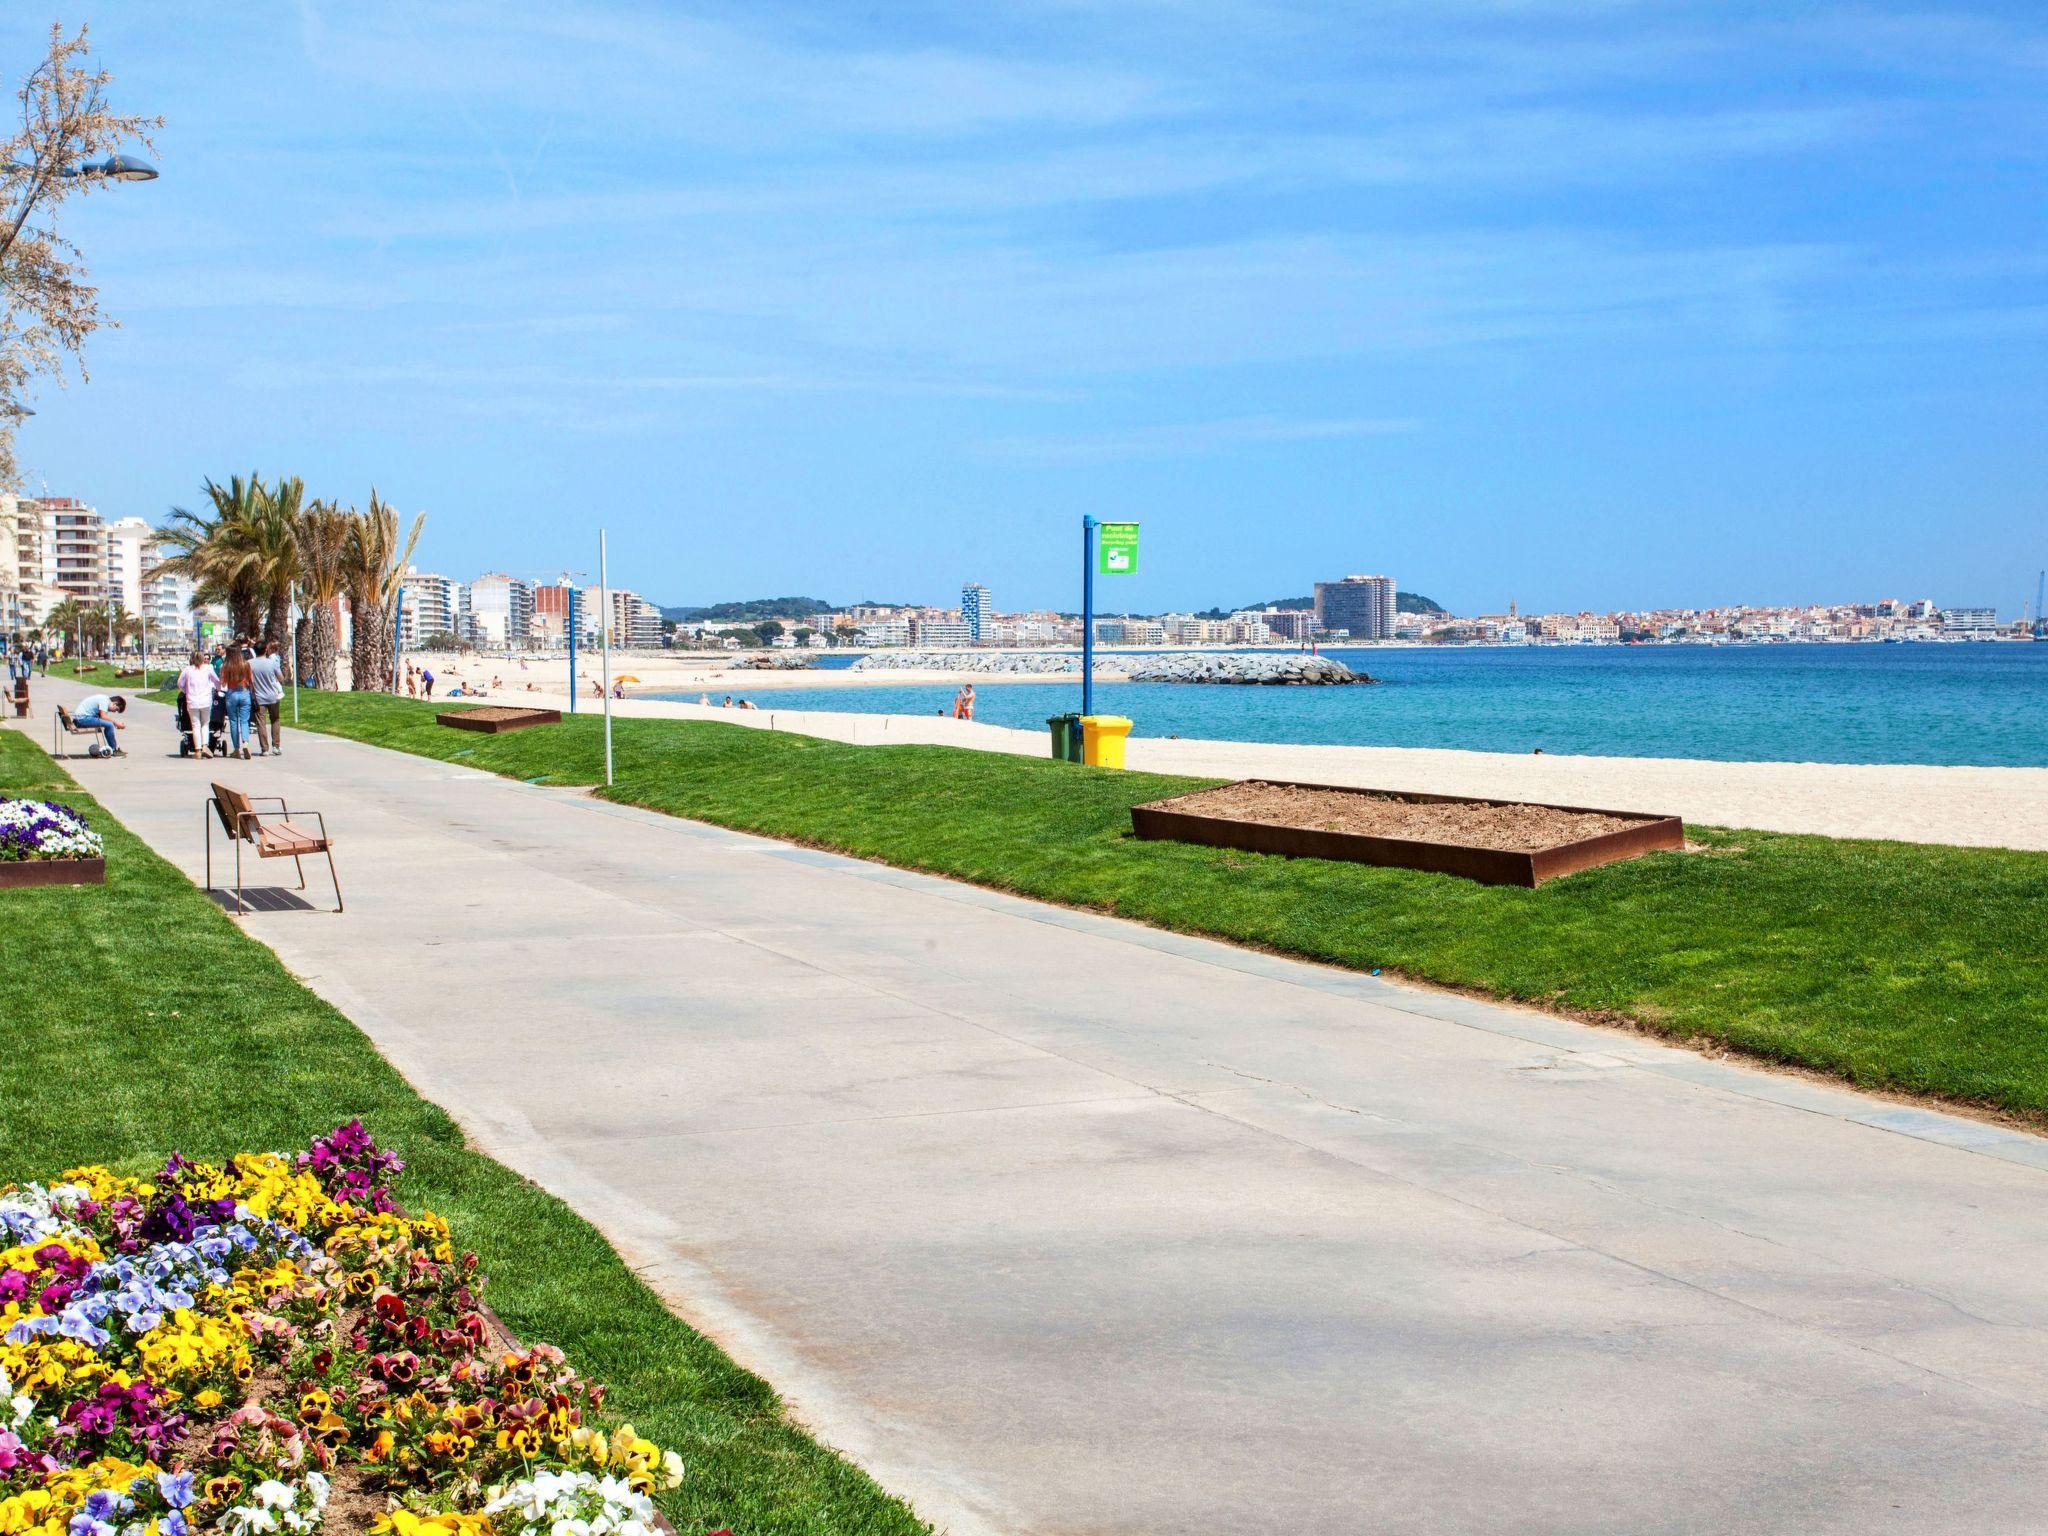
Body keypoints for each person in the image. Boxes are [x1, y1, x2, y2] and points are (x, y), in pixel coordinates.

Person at [177, 650, 219, 759]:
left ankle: (198, 750)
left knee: (195, 725)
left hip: (192, 701)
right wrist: (218, 689)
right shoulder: (208, 668)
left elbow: (179, 683)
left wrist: (186, 690)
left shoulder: (187, 670)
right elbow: (216, 680)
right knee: (205, 724)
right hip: (205, 700)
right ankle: (205, 745)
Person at [220, 644, 255, 760]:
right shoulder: (246, 664)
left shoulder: (225, 666)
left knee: (233, 722)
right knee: (244, 721)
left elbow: (223, 683)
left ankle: (236, 749)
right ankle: (245, 742)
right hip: (244, 693)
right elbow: (251, 681)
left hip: (231, 694)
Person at [251, 639, 285, 756]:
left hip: (258, 697)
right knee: (275, 719)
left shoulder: (250, 663)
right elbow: (281, 678)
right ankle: (276, 746)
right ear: (266, 650)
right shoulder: (272, 663)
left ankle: (264, 748)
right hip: (273, 696)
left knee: (261, 722)